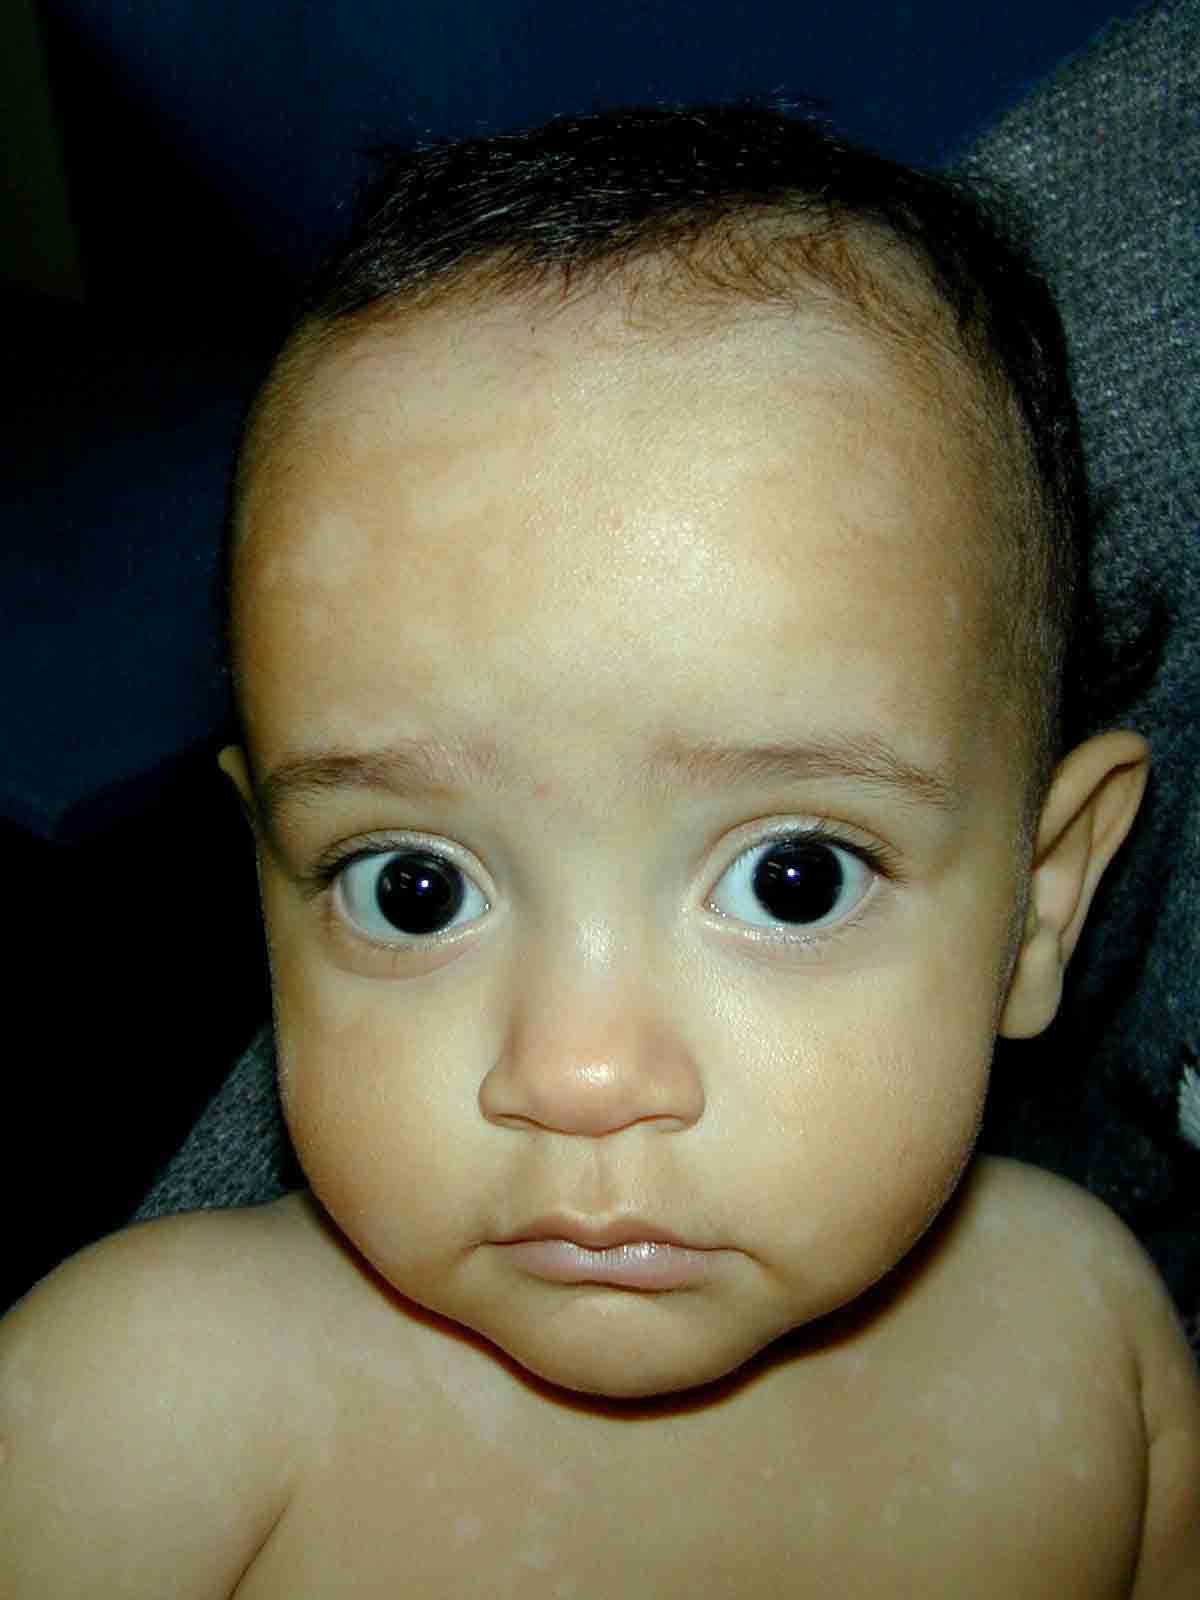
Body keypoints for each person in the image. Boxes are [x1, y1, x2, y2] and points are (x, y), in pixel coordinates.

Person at [3, 107, 1197, 1597]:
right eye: (413, 888)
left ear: (1043, 900)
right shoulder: (144, 1420)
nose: (575, 1074)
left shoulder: (1094, 1353)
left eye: (793, 878)